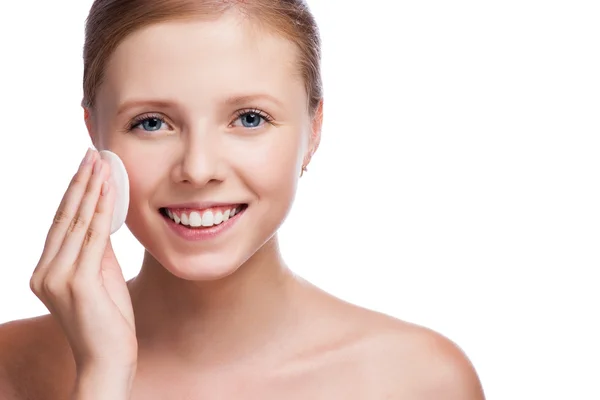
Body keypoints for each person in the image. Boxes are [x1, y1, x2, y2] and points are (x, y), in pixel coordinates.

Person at [0, 1, 485, 399]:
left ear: (313, 131)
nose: (198, 168)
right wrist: (102, 377)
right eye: (151, 122)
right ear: (95, 132)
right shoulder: (13, 367)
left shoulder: (419, 381)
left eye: (249, 118)